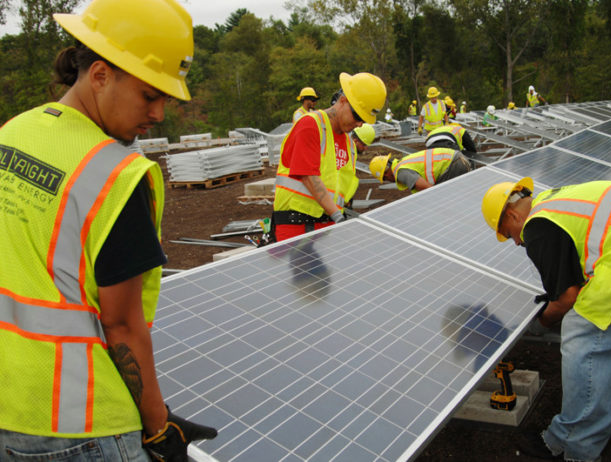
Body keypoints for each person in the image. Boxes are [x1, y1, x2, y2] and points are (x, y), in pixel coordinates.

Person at [0, 0, 218, 459]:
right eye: (149, 95)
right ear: (99, 75)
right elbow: (121, 325)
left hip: (10, 408)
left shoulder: (11, 135)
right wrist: (158, 427)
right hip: (84, 423)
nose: (159, 114)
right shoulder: (116, 176)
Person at [480, 177, 611, 462]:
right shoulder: (558, 200)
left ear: (512, 215)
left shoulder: (538, 225)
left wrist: (541, 323)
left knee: (585, 330)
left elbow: (566, 298)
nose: (517, 242)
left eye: (509, 234)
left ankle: (570, 445)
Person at [272, 72, 386, 241]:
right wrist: (337, 217)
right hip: (296, 228)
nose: (359, 124)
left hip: (326, 229)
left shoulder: (349, 145)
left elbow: (341, 188)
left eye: (364, 120)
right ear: (343, 100)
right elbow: (308, 176)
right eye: (357, 116)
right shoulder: (310, 125)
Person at [368, 148, 472, 193]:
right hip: (457, 160)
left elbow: (428, 189)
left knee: (446, 199)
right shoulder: (403, 163)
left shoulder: (400, 172)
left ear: (386, 174)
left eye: (384, 178)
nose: (388, 181)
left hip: (454, 164)